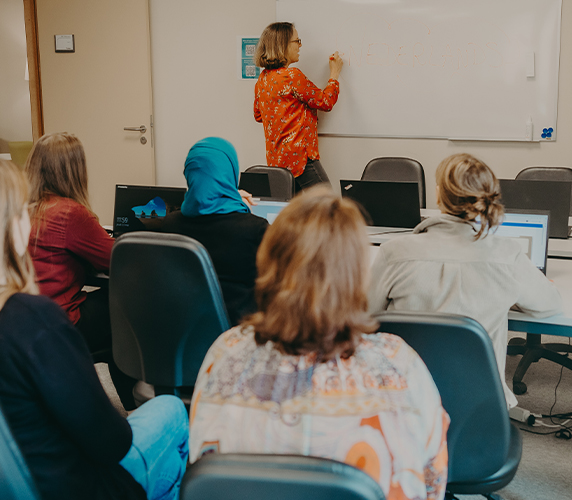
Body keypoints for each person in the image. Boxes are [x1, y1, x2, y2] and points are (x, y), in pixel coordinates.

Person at [0, 156, 188, 500]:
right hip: (63, 486)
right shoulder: (33, 322)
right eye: (22, 211)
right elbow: (111, 443)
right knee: (172, 412)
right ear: (9, 227)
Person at [189, 187, 449, 500]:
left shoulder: (225, 351)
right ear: (356, 274)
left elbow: (202, 460)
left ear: (270, 263)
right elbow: (432, 480)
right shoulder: (400, 364)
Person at [368, 153, 563, 409]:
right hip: (481, 409)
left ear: (438, 195)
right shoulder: (507, 254)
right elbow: (550, 305)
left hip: (405, 404)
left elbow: (364, 315)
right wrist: (508, 298)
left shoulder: (393, 252)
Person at [24, 132, 136, 410]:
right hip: (60, 322)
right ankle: (134, 405)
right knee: (123, 309)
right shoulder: (70, 214)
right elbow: (117, 259)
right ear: (75, 170)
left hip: (27, 319)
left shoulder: (21, 210)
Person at [160, 137, 269, 325]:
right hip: (238, 339)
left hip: (184, 334)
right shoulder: (255, 229)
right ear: (231, 173)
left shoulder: (167, 226)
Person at [254, 21, 343, 192]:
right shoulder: (292, 76)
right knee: (326, 205)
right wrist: (334, 74)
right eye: (297, 41)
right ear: (283, 45)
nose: (300, 45)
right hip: (301, 159)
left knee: (292, 211)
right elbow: (325, 102)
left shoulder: (263, 79)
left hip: (277, 161)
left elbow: (258, 115)